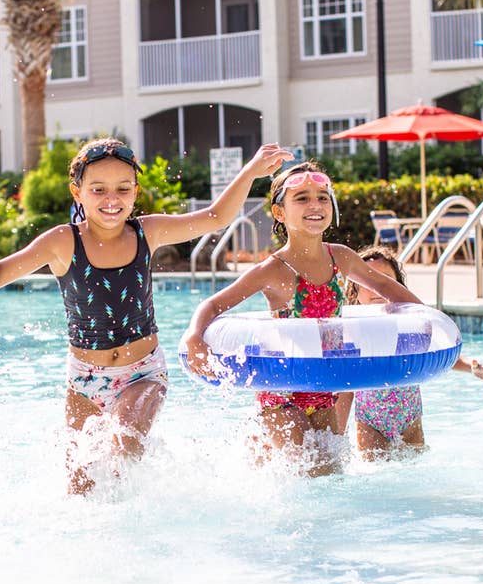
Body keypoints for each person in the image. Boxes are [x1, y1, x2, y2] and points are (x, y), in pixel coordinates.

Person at [0, 137, 291, 494]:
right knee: (79, 487)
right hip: (83, 380)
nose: (111, 199)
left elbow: (216, 217)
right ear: (77, 192)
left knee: (123, 448)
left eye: (122, 189)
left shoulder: (148, 232)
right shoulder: (62, 241)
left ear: (135, 191)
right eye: (98, 189)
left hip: (141, 372)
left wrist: (251, 171)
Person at [182, 162, 427, 477]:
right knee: (308, 475)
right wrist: (194, 337)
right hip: (281, 391)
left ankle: (258, 451)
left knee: (331, 476)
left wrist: (426, 319)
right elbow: (214, 304)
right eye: (302, 198)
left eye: (323, 197)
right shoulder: (273, 269)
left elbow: (385, 287)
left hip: (321, 390)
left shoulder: (341, 257)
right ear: (280, 212)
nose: (315, 205)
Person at [340, 246, 483, 459]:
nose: (376, 287)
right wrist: (336, 436)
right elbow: (345, 386)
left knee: (413, 469)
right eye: (367, 283)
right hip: (370, 423)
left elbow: (436, 354)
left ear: (396, 286)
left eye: (383, 279)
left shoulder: (408, 325)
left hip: (410, 418)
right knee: (374, 474)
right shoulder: (353, 330)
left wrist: (470, 366)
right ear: (355, 291)